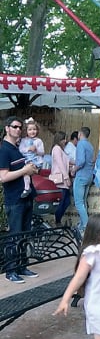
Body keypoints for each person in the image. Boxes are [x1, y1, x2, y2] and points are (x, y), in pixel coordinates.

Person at [0, 116, 40, 283]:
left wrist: (31, 170)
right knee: (15, 235)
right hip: (14, 199)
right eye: (15, 127)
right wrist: (25, 170)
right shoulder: (4, 150)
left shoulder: (17, 148)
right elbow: (3, 177)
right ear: (7, 128)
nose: (18, 130)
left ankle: (22, 266)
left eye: (20, 127)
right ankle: (11, 270)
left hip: (26, 197)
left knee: (24, 234)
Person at [73, 127, 95, 232]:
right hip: (89, 175)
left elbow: (81, 161)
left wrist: (74, 169)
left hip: (81, 175)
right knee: (83, 202)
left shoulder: (80, 144)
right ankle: (82, 225)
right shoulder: (90, 145)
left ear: (80, 134)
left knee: (78, 202)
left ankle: (86, 226)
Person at [50, 131, 73, 226]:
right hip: (60, 179)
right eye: (63, 139)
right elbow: (60, 164)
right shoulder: (56, 149)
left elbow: (67, 162)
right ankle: (57, 221)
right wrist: (67, 177)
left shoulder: (61, 150)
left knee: (66, 201)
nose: (65, 141)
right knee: (63, 201)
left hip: (63, 179)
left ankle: (58, 220)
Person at [18, 118, 45, 198]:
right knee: (25, 173)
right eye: (30, 129)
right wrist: (28, 149)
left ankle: (27, 188)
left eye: (34, 129)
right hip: (27, 160)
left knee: (26, 172)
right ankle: (27, 187)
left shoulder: (38, 141)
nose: (32, 131)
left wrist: (36, 151)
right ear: (26, 131)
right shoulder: (23, 140)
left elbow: (42, 152)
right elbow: (21, 150)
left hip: (36, 161)